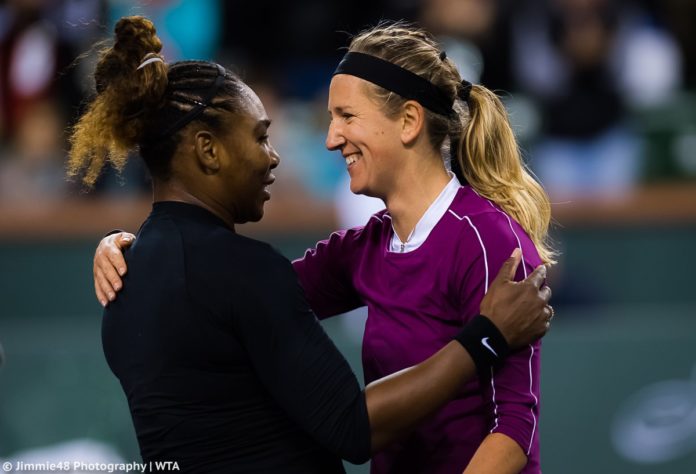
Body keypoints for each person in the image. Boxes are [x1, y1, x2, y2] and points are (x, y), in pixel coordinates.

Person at [92, 21, 555, 474]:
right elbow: (234, 296)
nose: (331, 139)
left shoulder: (489, 240)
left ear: (409, 121)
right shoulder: (363, 248)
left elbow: (514, 431)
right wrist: (129, 248)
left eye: (347, 117)